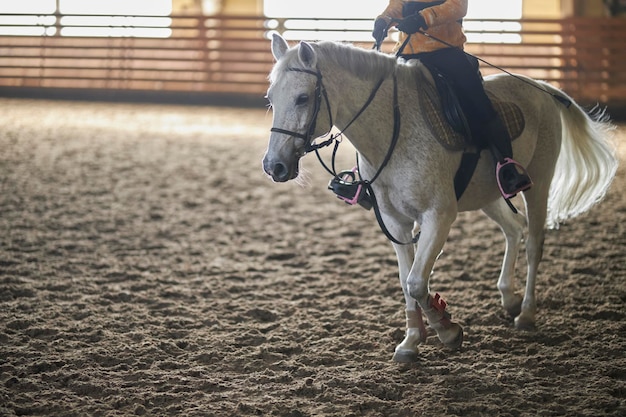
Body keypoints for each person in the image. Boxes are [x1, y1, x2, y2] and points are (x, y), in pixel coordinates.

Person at [372, 0, 532, 200]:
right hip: (406, 52)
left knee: (476, 100)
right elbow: (397, 5)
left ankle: (506, 166)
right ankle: (368, 173)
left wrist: (422, 17)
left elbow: (457, 6)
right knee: (379, 98)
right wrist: (383, 20)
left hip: (445, 53)